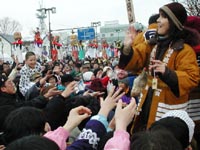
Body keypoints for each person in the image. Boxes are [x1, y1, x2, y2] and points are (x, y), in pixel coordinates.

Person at [118, 2, 199, 133]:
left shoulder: (185, 51)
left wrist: (167, 72)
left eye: (163, 17)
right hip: (147, 102)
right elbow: (136, 60)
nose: (158, 20)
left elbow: (192, 78)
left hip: (168, 109)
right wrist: (127, 48)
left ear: (173, 22)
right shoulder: (152, 45)